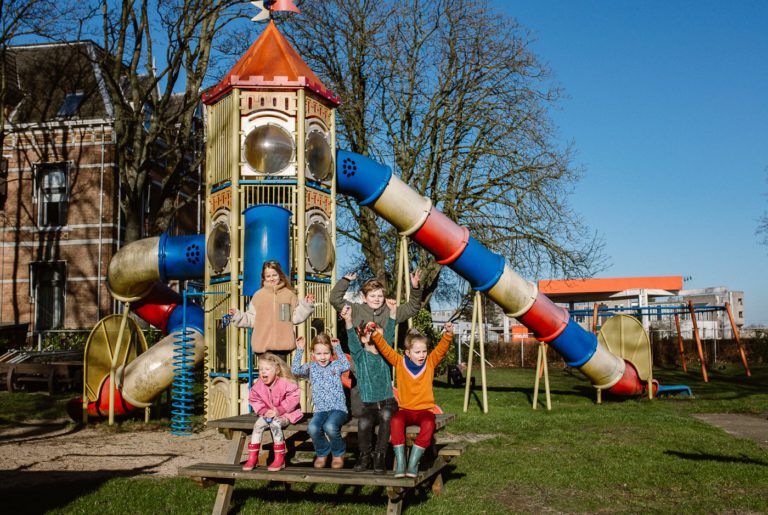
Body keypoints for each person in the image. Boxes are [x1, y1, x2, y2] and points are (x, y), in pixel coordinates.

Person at [370, 321, 454, 478]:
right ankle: (401, 462)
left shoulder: (430, 362)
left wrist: (448, 334)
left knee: (429, 424)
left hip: (424, 410)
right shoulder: (400, 363)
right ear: (407, 353)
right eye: (417, 352)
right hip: (405, 410)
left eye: (424, 351)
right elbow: (386, 351)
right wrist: (375, 335)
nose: (422, 355)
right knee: (395, 421)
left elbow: (441, 350)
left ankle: (413, 462)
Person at [340, 303, 398, 474]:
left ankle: (380, 456)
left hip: (387, 403)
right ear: (364, 339)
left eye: (378, 334)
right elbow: (351, 338)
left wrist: (393, 313)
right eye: (370, 334)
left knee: (387, 416)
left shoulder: (386, 355)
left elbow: (389, 333)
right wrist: (348, 320)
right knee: (364, 422)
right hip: (369, 406)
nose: (375, 337)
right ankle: (365, 456)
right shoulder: (359, 356)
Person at [228, 261, 315, 355]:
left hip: (282, 347)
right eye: (268, 276)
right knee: (266, 370)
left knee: (279, 369)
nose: (272, 278)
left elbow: (293, 317)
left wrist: (306, 304)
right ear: (264, 278)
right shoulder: (258, 296)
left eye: (274, 275)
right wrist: (237, 315)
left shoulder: (288, 295)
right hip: (262, 345)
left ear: (280, 275)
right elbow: (251, 318)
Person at [291, 333, 350, 469]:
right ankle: (323, 452)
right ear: (313, 353)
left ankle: (338, 453)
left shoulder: (335, 365)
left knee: (329, 426)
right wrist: (299, 350)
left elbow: (346, 365)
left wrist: (338, 348)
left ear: (331, 352)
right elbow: (295, 371)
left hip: (338, 409)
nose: (323, 357)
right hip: (321, 410)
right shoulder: (311, 368)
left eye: (326, 353)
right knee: (313, 428)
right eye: (319, 353)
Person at [241, 353, 302, 471]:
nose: (263, 372)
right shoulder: (258, 385)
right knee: (258, 425)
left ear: (277, 370)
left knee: (275, 424)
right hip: (268, 413)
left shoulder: (285, 383)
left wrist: (279, 410)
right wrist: (264, 411)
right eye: (260, 369)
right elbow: (254, 399)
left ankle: (279, 458)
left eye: (267, 369)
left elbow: (294, 397)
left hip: (286, 414)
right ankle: (253, 457)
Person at [330, 270, 422, 330]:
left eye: (380, 296)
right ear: (364, 298)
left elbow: (413, 307)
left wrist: (415, 288)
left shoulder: (391, 311)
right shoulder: (355, 310)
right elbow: (335, 299)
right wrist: (345, 280)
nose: (376, 299)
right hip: (361, 356)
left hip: (383, 357)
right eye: (372, 296)